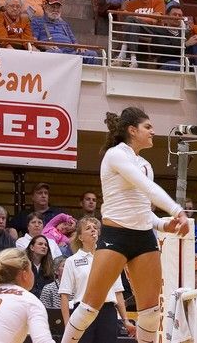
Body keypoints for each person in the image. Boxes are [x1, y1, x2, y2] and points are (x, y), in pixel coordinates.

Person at [59, 107, 187, 343]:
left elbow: (141, 208)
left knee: (150, 312)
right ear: (132, 130)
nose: (152, 132)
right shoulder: (115, 155)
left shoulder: (146, 164)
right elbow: (147, 188)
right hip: (115, 237)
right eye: (147, 127)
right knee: (89, 308)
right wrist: (176, 210)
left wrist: (161, 224)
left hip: (143, 238)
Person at [59, 217, 133, 343]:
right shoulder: (72, 261)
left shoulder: (110, 259)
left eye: (95, 228)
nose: (93, 230)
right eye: (88, 228)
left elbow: (118, 292)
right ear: (80, 237)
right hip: (82, 310)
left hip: (108, 311)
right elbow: (64, 296)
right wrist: (68, 325)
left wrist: (125, 320)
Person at [31, 0, 100, 64]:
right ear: (45, 7)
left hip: (70, 53)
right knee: (56, 53)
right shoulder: (37, 21)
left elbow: (74, 41)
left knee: (91, 54)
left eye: (58, 8)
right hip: (53, 52)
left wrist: (79, 47)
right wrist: (46, 46)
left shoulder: (64, 24)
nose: (55, 10)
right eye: (53, 7)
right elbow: (34, 41)